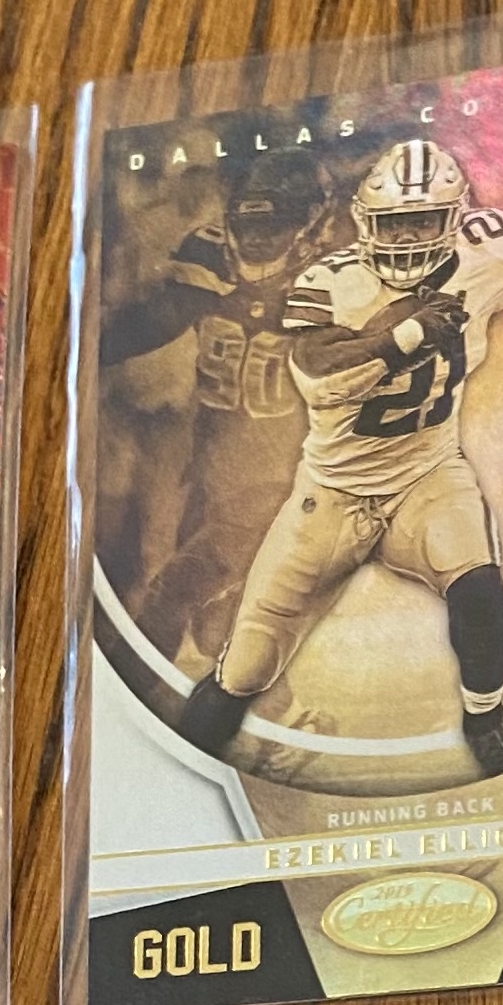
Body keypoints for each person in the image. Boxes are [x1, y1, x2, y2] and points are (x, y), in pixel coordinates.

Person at [175, 138, 503, 777]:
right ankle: (178, 770)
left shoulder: (486, 252)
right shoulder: (332, 280)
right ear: (366, 221)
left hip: (427, 471)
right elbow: (315, 367)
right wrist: (406, 334)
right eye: (393, 222)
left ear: (453, 219)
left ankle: (484, 721)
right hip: (332, 491)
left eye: (422, 221)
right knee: (246, 667)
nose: (405, 237)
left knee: (480, 589)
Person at [101, 152, 334, 667]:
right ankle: (269, 699)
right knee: (215, 632)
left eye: (273, 226)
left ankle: (133, 694)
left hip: (287, 477)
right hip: (213, 463)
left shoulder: (338, 278)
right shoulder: (210, 257)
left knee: (172, 594)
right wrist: (86, 348)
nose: (256, 240)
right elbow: (161, 320)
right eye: (248, 225)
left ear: (309, 223)